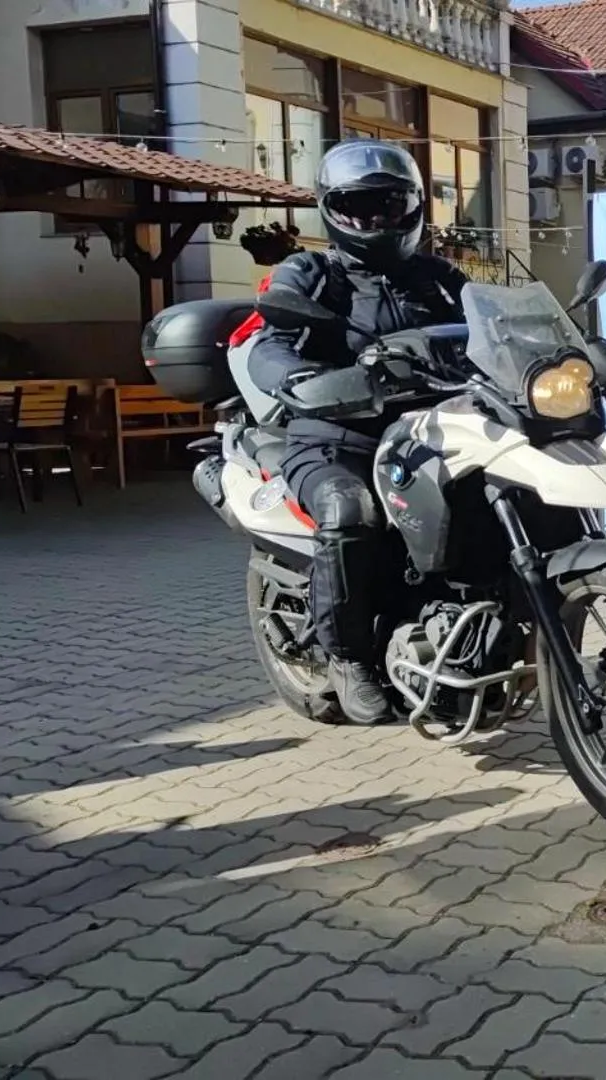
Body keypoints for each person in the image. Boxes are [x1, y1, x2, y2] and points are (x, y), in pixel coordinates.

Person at [245, 139, 469, 724]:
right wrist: (300, 380)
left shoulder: (437, 277)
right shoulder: (312, 274)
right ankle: (348, 657)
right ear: (333, 209)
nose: (378, 219)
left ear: (414, 207)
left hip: (429, 433)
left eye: (391, 205)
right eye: (361, 206)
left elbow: (493, 321)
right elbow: (267, 344)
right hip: (334, 439)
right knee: (351, 511)